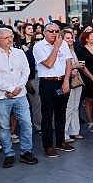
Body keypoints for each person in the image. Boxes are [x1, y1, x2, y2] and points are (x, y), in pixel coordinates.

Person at [0, 27, 39, 168]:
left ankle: (26, 152)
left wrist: (18, 88)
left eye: (11, 36)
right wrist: (10, 89)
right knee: (3, 127)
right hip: (1, 97)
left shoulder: (20, 53)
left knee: (26, 123)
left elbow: (26, 71)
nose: (10, 39)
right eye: (7, 37)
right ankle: (8, 154)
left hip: (20, 95)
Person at [33, 22, 75, 157]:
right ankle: (48, 145)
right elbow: (49, 64)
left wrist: (67, 81)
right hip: (47, 83)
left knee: (61, 113)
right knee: (47, 115)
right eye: (51, 31)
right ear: (45, 32)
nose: (54, 34)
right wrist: (56, 48)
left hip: (62, 81)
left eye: (57, 31)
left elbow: (69, 63)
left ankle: (60, 141)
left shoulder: (63, 44)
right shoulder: (38, 46)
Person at [63, 29, 87, 143]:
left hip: (77, 81)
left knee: (75, 106)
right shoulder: (61, 51)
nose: (70, 40)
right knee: (68, 107)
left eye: (71, 37)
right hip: (68, 81)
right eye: (67, 38)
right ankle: (65, 133)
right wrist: (73, 67)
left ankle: (74, 131)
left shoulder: (72, 50)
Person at [76, 28, 93, 133]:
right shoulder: (81, 51)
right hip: (87, 78)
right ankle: (90, 123)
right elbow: (82, 67)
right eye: (92, 36)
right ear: (86, 38)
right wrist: (92, 77)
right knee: (89, 100)